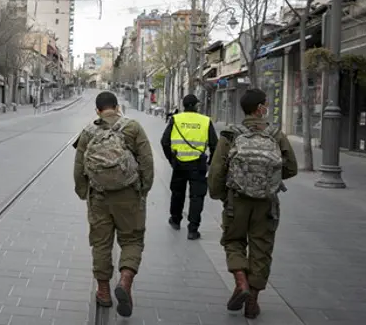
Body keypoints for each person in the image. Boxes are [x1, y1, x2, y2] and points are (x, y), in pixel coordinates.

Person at [208, 88, 298, 319]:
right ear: (260, 108)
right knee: (262, 247)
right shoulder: (276, 134)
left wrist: (219, 195)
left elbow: (217, 169)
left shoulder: (231, 134)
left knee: (233, 241)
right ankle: (253, 302)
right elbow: (291, 168)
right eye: (265, 104)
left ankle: (241, 282)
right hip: (266, 202)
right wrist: (269, 179)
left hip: (236, 200)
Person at [72, 91, 154, 318]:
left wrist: (83, 192)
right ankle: (125, 281)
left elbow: (79, 167)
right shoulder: (133, 128)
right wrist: (143, 189)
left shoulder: (88, 132)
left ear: (97, 110)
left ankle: (104, 291)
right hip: (129, 195)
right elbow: (147, 161)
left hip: (99, 197)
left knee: (101, 243)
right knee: (132, 239)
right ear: (117, 107)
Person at [161, 94, 218, 240]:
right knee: (197, 196)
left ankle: (175, 219)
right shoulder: (205, 121)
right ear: (196, 106)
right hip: (198, 164)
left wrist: (171, 159)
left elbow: (164, 141)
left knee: (177, 193)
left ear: (184, 105)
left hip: (179, 163)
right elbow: (214, 145)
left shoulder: (176, 119)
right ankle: (193, 229)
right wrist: (210, 163)